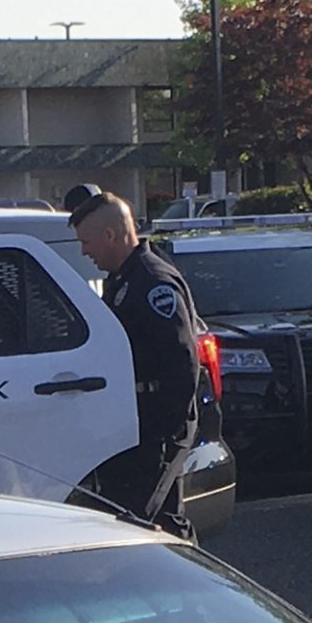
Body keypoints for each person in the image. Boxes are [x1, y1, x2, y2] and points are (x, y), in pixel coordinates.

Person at [67, 188, 202, 540]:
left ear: (110, 235)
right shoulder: (124, 279)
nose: (84, 252)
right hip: (137, 422)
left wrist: (164, 432)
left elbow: (182, 363)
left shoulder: (153, 283)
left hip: (156, 425)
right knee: (166, 525)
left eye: (87, 242)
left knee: (134, 523)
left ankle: (197, 592)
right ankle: (189, 593)